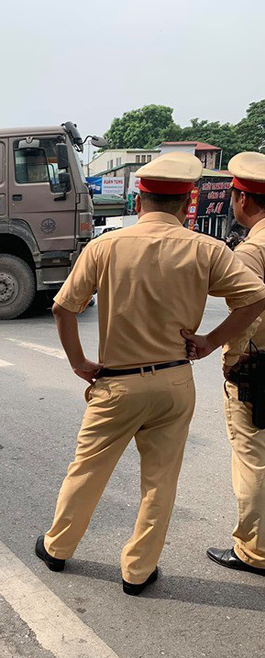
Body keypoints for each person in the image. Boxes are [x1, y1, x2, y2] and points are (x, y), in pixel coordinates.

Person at [35, 152, 265, 595]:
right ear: (188, 203)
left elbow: (63, 308)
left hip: (116, 383)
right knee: (159, 481)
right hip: (175, 382)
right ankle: (137, 571)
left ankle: (58, 549)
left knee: (87, 470)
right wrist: (211, 341)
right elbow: (254, 299)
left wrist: (80, 364)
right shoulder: (208, 249)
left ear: (139, 199)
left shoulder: (105, 247)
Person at [185, 152, 265, 576]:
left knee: (252, 459)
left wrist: (213, 343)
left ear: (243, 200)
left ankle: (255, 551)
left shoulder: (253, 250)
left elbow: (254, 301)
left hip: (257, 368)